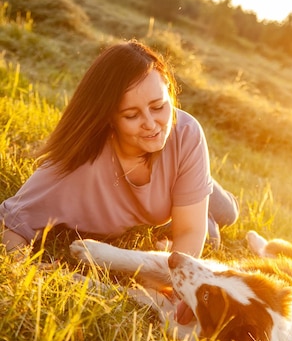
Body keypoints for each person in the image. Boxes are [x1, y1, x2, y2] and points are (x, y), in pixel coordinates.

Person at [0, 39, 239, 322]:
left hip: (176, 179)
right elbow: (11, 224)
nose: (151, 124)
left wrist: (176, 287)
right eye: (132, 115)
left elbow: (189, 232)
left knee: (226, 215)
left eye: (159, 106)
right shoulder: (73, 166)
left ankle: (201, 187)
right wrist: (28, 269)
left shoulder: (184, 132)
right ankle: (193, 194)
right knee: (208, 234)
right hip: (155, 209)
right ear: (109, 117)